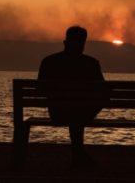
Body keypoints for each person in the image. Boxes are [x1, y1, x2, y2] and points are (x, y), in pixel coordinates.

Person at [38, 26, 105, 168]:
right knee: (78, 111)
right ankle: (78, 153)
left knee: (75, 110)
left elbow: (40, 90)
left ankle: (78, 154)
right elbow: (103, 91)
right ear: (84, 43)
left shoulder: (49, 61)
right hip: (85, 113)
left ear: (65, 42)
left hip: (57, 113)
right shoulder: (91, 63)